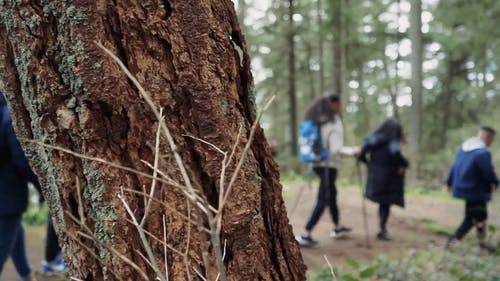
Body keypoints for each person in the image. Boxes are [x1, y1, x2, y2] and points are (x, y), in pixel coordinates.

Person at [296, 94, 357, 247]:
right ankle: (306, 233)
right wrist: (353, 151)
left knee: (331, 195)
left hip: (317, 165)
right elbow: (335, 149)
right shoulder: (333, 120)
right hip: (329, 166)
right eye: (340, 103)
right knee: (323, 199)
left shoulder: (317, 120)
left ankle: (337, 227)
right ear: (335, 103)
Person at [0, 92, 42, 281]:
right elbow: (22, 160)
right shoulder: (8, 114)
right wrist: (43, 188)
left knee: (16, 232)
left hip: (6, 198)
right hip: (5, 197)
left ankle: (26, 275)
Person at [445, 126, 498, 249]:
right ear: (487, 137)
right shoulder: (482, 152)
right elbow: (487, 171)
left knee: (481, 216)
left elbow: (454, 166)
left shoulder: (464, 149)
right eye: (492, 140)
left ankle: (482, 243)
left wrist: (449, 182)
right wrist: (495, 182)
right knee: (472, 218)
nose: (491, 142)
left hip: (465, 188)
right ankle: (452, 242)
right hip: (476, 190)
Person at [357, 118, 408, 241]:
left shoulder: (373, 140)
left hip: (375, 176)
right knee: (385, 203)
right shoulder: (392, 141)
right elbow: (395, 153)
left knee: (383, 202)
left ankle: (382, 229)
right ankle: (382, 229)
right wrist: (404, 163)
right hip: (389, 177)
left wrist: (368, 163)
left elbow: (361, 154)